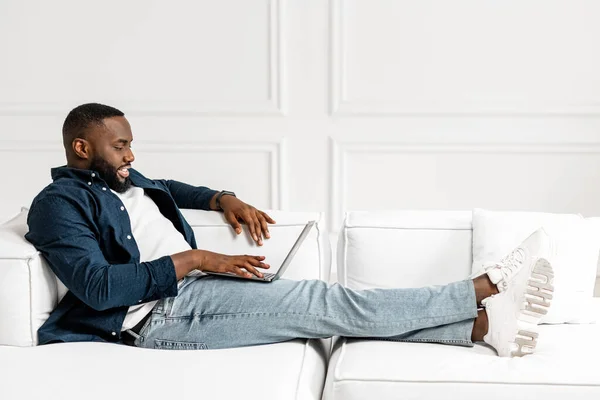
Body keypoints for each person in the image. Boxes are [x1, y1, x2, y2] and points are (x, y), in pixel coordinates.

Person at [25, 103, 554, 357]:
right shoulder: (58, 204)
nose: (130, 155)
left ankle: (486, 329)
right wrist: (198, 259)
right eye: (120, 147)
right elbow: (96, 288)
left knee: (332, 307)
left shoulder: (123, 180)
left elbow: (164, 185)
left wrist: (221, 198)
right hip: (159, 317)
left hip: (198, 293)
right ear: (81, 148)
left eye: (130, 144)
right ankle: (483, 288)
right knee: (329, 302)